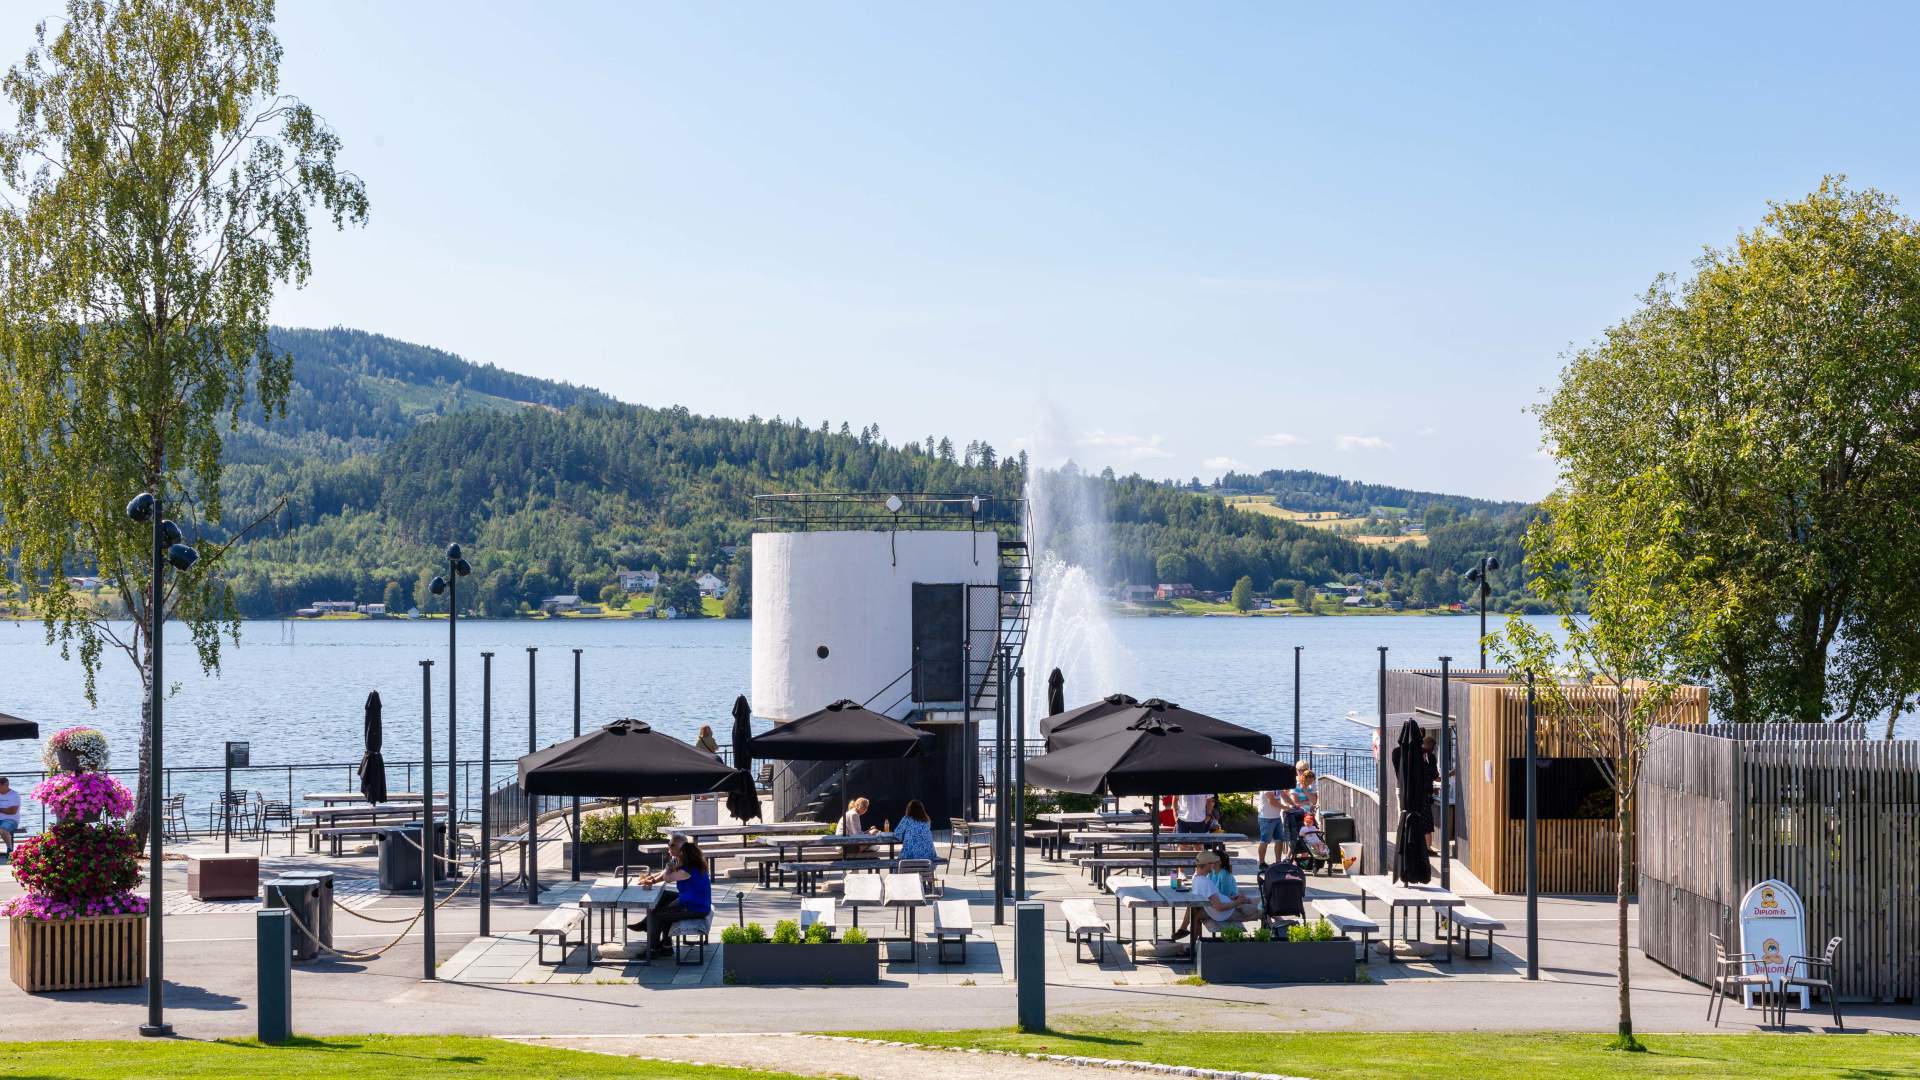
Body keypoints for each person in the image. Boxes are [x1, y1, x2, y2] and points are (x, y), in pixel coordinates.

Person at [645, 840, 712, 957]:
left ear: (685, 855)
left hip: (694, 908)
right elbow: (667, 875)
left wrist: (668, 866)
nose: (678, 855)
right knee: (664, 898)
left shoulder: (687, 871)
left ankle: (653, 949)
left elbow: (667, 878)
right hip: (696, 903)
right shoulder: (696, 866)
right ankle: (666, 946)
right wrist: (653, 878)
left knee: (656, 915)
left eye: (680, 853)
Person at [1179, 847, 1261, 940]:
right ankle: (1276, 928)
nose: (1213, 864)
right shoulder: (1206, 882)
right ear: (1207, 864)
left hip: (1219, 909)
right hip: (1228, 912)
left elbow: (1216, 899)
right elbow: (1219, 907)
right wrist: (1237, 902)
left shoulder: (1196, 879)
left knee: (1194, 912)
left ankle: (1192, 945)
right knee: (1263, 910)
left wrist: (1233, 899)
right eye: (1212, 863)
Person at [892, 798, 938, 864]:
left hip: (910, 858)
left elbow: (897, 834)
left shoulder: (907, 819)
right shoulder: (927, 821)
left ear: (909, 809)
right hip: (929, 859)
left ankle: (895, 874)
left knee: (896, 865)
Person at [1255, 783, 1288, 868]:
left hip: (1277, 817)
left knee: (1280, 840)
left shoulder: (1278, 785)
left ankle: (1278, 861)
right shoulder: (1267, 785)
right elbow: (1272, 801)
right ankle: (1261, 863)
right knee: (1264, 841)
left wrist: (1294, 805)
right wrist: (1285, 807)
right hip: (1266, 818)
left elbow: (1284, 796)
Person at [0, 777, 20, 857]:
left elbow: (12, 811)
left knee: (2, 829)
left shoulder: (14, 795)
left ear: (6, 785)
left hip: (11, 820)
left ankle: (10, 849)